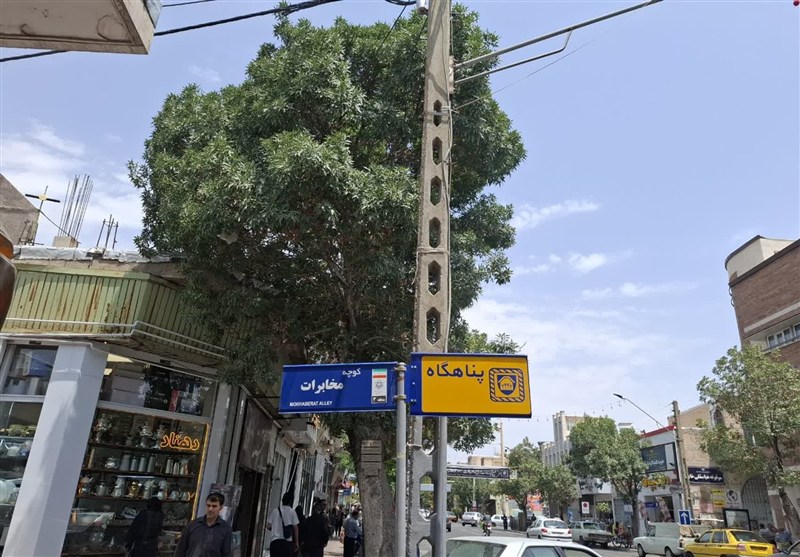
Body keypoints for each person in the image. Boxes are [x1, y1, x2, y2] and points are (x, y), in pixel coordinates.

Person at [173, 492, 232, 557]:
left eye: (214, 506)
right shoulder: (193, 525)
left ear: (220, 508)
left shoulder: (225, 529)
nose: (210, 509)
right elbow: (181, 549)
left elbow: (226, 553)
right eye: (208, 505)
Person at [267, 492, 300, 557]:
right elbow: (295, 528)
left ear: (282, 501)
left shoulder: (275, 511)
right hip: (287, 543)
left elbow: (268, 526)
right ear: (290, 502)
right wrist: (296, 542)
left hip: (275, 542)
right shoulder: (292, 512)